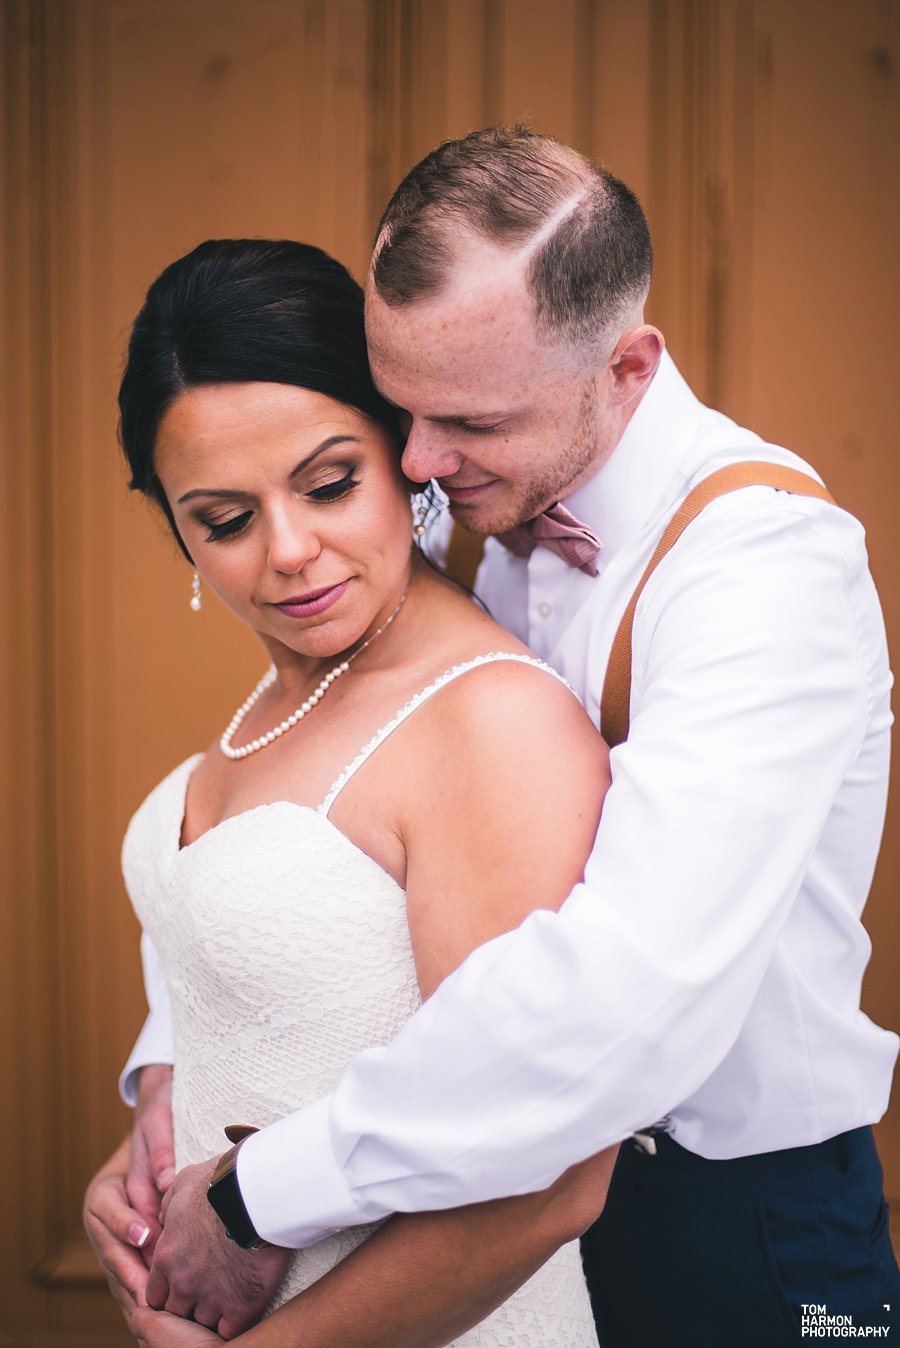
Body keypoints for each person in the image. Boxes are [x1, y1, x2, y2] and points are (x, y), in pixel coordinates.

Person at [92, 126, 900, 1345]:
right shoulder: (450, 493)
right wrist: (175, 1087)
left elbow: (617, 997)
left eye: (466, 419)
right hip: (455, 1195)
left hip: (736, 1229)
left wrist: (257, 1195)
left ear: (626, 368)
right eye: (400, 409)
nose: (417, 461)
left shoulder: (763, 569)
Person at [85, 236, 616, 1346]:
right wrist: (152, 1128)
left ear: (406, 452)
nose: (289, 551)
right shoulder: (287, 693)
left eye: (331, 484)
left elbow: (540, 1180)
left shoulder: (488, 722)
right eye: (224, 520)